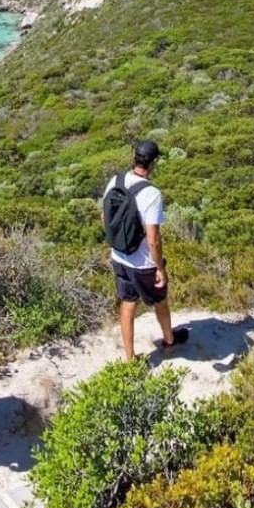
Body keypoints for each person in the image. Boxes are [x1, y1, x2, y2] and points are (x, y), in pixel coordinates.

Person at [104, 139, 189, 362]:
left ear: (135, 158)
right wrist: (160, 268)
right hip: (142, 263)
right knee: (160, 300)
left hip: (119, 256)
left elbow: (105, 216)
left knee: (128, 302)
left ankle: (130, 358)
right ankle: (169, 340)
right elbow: (153, 238)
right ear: (153, 163)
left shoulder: (116, 180)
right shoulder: (151, 194)